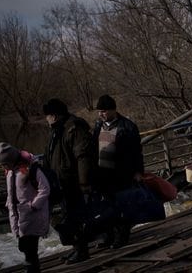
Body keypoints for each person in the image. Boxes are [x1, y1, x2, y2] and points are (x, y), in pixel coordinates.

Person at [42, 98, 95, 264]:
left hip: (74, 182)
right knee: (68, 217)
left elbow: (83, 157)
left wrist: (84, 183)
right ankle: (76, 248)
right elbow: (51, 156)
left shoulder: (74, 128)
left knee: (76, 217)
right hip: (62, 183)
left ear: (55, 116)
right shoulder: (58, 129)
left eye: (48, 115)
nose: (46, 119)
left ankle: (82, 251)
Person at [93, 94, 144, 249]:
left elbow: (137, 152)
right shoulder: (98, 126)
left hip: (122, 173)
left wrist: (138, 172)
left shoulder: (127, 126)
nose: (101, 114)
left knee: (122, 205)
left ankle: (121, 236)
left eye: (103, 111)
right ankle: (108, 236)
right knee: (106, 207)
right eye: (99, 111)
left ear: (112, 110)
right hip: (103, 174)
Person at [0, 143, 50, 273]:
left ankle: (32, 269)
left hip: (32, 215)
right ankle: (31, 268)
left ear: (12, 160)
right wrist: (9, 203)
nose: (3, 167)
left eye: (5, 164)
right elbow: (12, 192)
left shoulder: (29, 169)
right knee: (24, 247)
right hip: (19, 216)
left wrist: (34, 205)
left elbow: (45, 188)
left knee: (30, 250)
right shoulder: (9, 172)